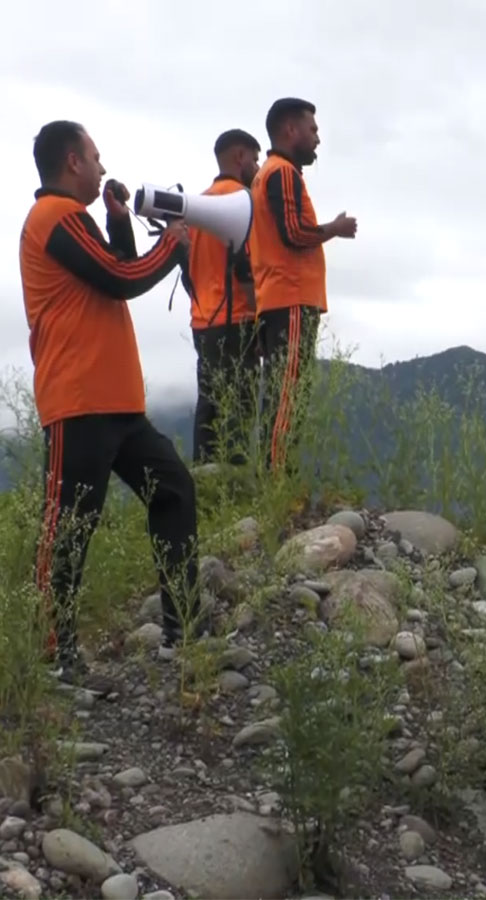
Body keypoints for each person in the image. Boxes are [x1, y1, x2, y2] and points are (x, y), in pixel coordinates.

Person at [18, 120, 203, 684]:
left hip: (115, 401)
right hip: (78, 400)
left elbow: (112, 266)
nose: (103, 168)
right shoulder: (51, 217)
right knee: (68, 528)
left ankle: (184, 627)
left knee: (173, 489)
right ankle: (55, 657)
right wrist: (172, 245)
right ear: (73, 161)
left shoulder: (75, 221)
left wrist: (119, 222)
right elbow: (122, 278)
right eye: (96, 158)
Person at [247, 97, 357, 473]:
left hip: (277, 296)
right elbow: (293, 232)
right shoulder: (281, 173)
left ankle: (274, 476)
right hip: (290, 296)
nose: (317, 139)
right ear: (290, 129)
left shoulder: (266, 174)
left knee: (282, 391)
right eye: (312, 130)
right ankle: (276, 479)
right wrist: (335, 230)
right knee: (287, 394)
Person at [184, 128, 262, 466]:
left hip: (203, 321)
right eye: (255, 159)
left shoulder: (197, 206)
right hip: (238, 320)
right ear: (240, 156)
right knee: (239, 410)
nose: (258, 167)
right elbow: (245, 266)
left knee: (210, 405)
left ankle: (202, 480)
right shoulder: (242, 203)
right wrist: (261, 319)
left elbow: (188, 269)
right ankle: (236, 483)